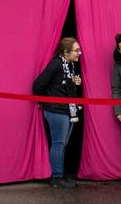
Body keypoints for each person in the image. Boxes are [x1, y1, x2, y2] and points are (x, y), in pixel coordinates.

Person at [31, 37, 83, 189]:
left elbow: (64, 87)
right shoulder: (56, 64)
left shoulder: (70, 65)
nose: (80, 53)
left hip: (67, 109)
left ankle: (60, 174)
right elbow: (38, 85)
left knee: (62, 144)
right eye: (76, 50)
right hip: (56, 110)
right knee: (58, 144)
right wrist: (44, 102)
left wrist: (75, 83)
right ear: (66, 52)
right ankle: (57, 177)